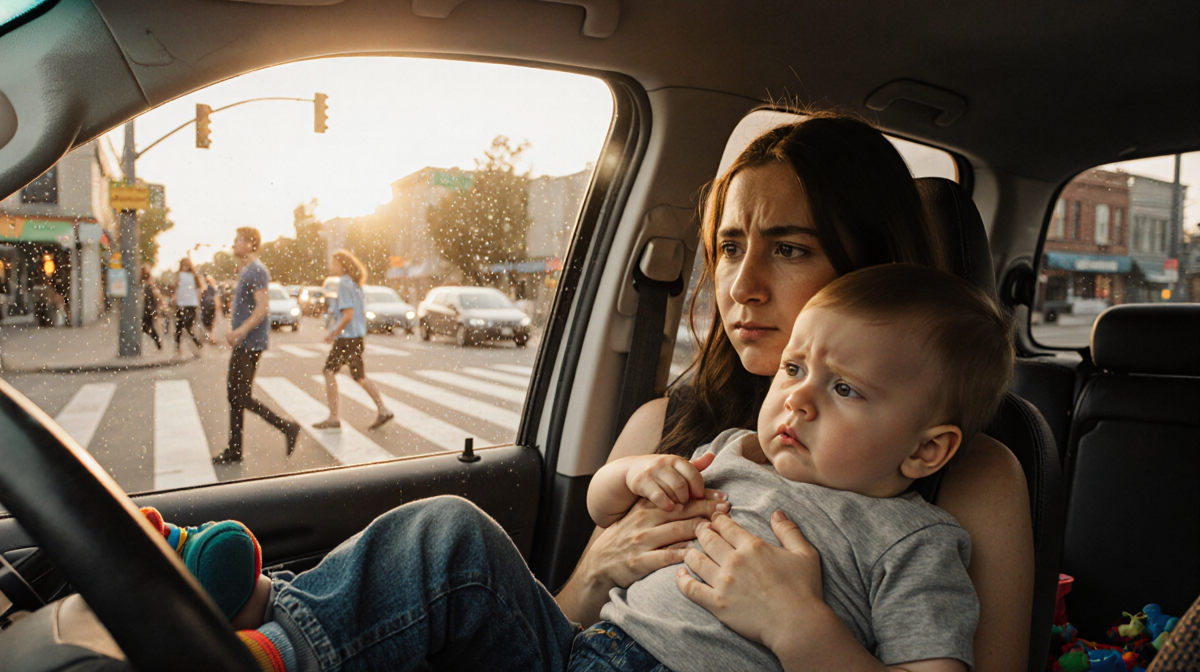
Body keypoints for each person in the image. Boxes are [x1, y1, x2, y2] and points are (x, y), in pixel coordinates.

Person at [177, 263, 1008, 672]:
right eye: (794, 369)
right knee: (450, 532)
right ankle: (274, 631)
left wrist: (799, 626)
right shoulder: (732, 450)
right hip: (580, 653)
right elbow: (606, 509)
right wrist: (634, 476)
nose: (798, 400)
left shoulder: (915, 542)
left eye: (846, 389)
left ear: (925, 449)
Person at [554, 113, 1035, 672]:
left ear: (872, 271)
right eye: (730, 247)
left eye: (788, 249)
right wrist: (599, 569)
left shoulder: (971, 480)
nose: (741, 286)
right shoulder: (666, 426)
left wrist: (799, 626)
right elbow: (559, 628)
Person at [213, 227, 301, 464]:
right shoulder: (248, 270)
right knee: (235, 396)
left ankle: (287, 427)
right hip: (245, 342)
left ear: (250, 244)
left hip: (250, 343)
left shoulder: (257, 270)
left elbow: (263, 306)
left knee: (241, 397)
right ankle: (235, 450)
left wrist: (240, 331)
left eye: (237, 240)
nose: (233, 244)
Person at [312, 250, 393, 431]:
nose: (331, 266)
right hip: (356, 337)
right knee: (359, 376)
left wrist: (333, 333)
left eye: (334, 262)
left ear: (342, 265)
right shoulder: (355, 284)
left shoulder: (344, 283)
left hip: (347, 338)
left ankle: (334, 417)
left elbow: (348, 314)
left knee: (329, 372)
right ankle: (383, 409)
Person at [172, 257, 204, 357]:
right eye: (184, 265)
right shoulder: (179, 276)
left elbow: (199, 289)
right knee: (179, 327)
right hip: (181, 304)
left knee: (187, 326)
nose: (185, 267)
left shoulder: (193, 276)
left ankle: (197, 344)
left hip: (190, 304)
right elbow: (175, 289)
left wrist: (198, 301)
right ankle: (179, 348)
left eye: (187, 265)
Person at [140, 265, 163, 350]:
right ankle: (157, 342)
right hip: (147, 307)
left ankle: (158, 342)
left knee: (148, 326)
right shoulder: (144, 281)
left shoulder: (148, 281)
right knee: (147, 326)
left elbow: (153, 294)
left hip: (148, 307)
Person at [201, 273, 221, 345]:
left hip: (205, 306)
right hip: (212, 306)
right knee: (210, 323)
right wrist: (217, 306)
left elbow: (201, 296)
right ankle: (211, 337)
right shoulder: (212, 287)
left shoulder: (203, 287)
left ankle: (210, 337)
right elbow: (216, 296)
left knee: (206, 323)